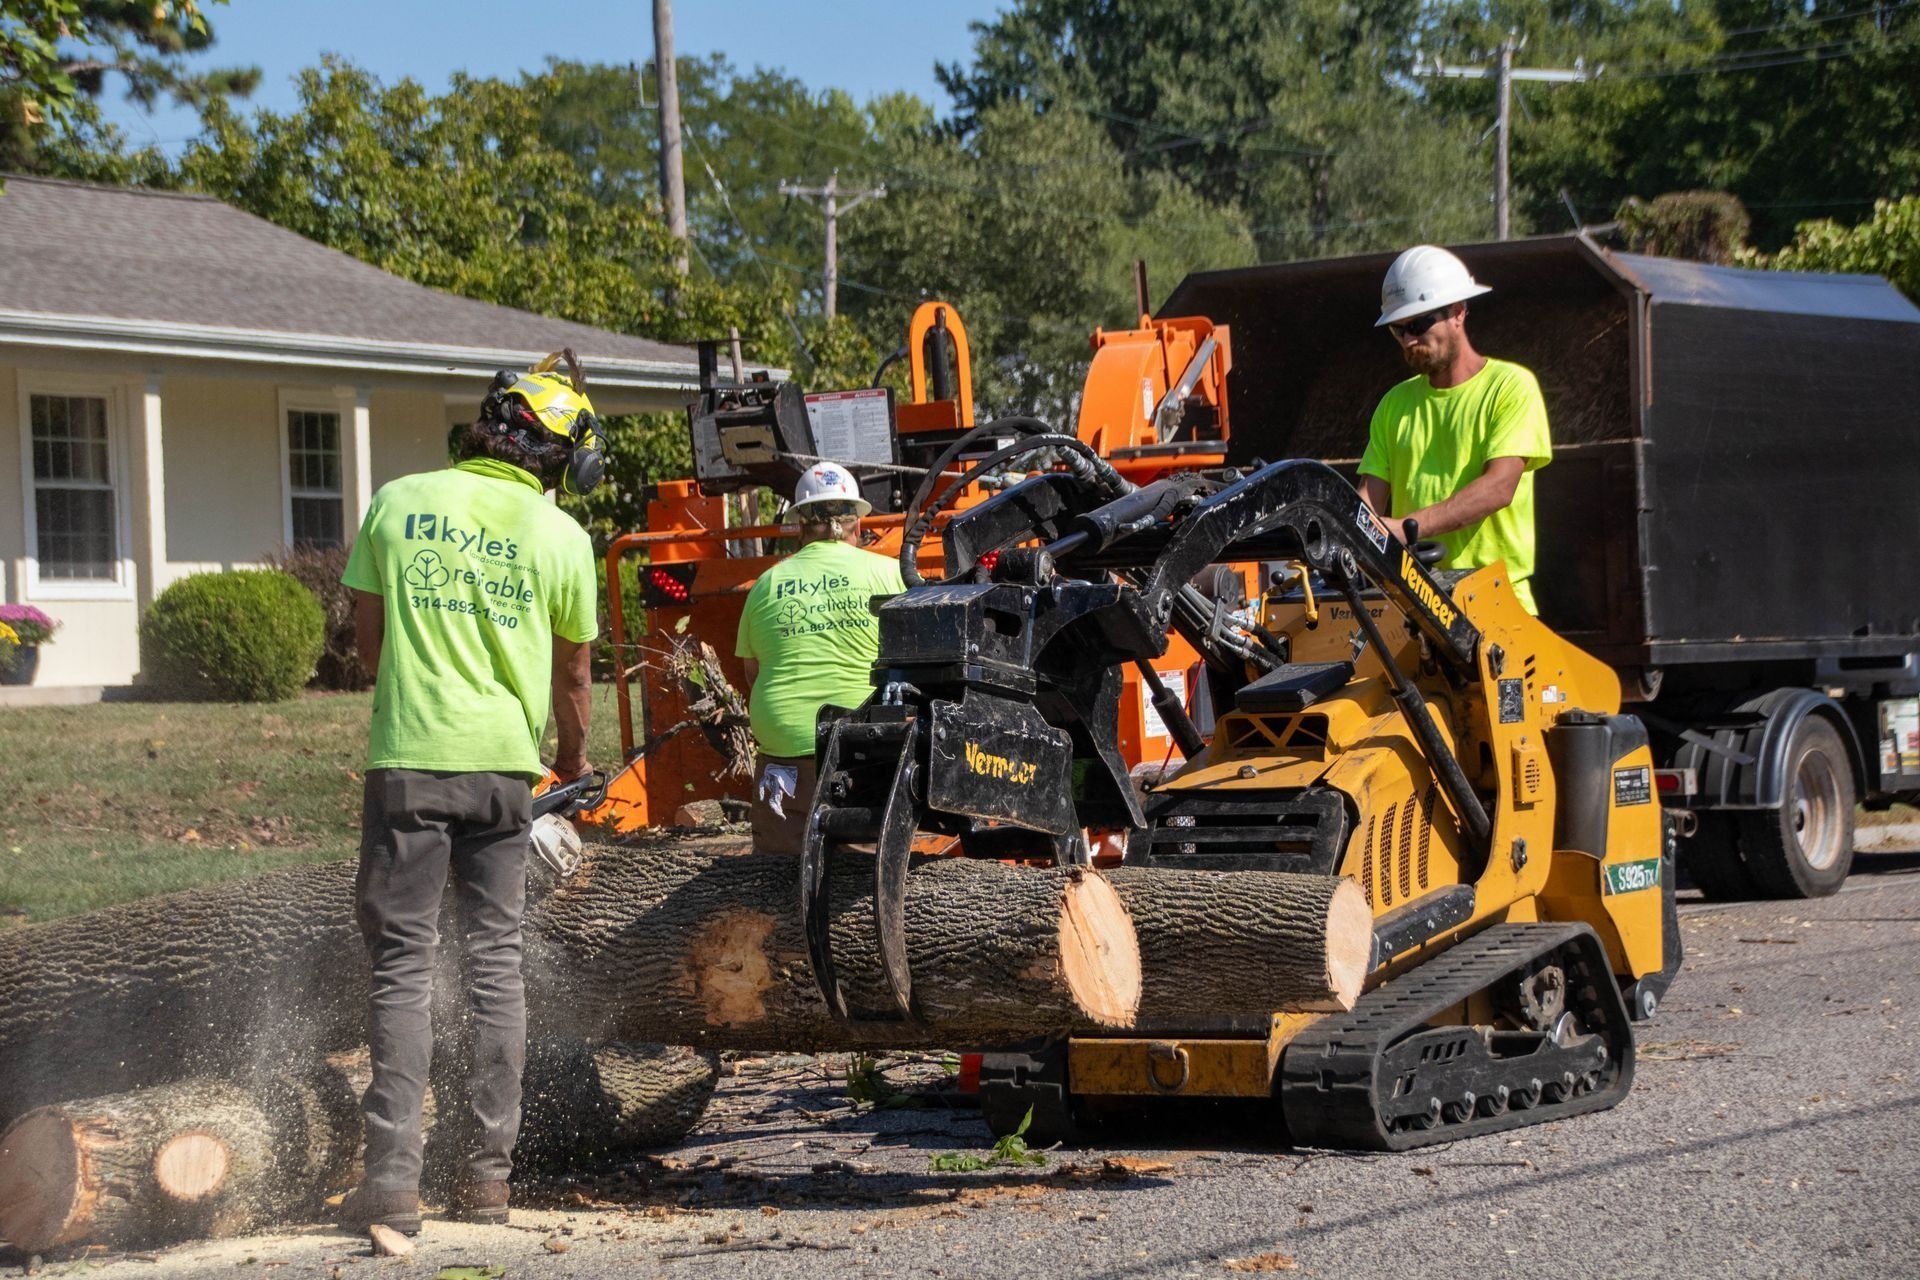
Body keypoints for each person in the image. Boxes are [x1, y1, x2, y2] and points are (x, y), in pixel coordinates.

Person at [338, 351, 603, 1236]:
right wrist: (569, 764)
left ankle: (391, 1187)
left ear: (489, 424)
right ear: (559, 458)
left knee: (405, 969)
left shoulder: (399, 500)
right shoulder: (563, 537)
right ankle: (487, 1180)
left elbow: (367, 651)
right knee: (496, 968)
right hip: (505, 776)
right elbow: (574, 676)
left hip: (409, 764)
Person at [1357, 245, 1553, 614]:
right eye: (1398, 331)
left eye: (1418, 325)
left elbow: (1499, 487)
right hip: (1417, 605)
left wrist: (1405, 527)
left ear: (1459, 312)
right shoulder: (1394, 405)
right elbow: (1368, 502)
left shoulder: (1510, 387)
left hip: (1499, 606)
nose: (1409, 340)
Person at [735, 463, 905, 853]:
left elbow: (753, 674)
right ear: (857, 525)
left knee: (778, 880)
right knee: (862, 882)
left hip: (784, 761)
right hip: (864, 755)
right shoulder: (891, 574)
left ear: (799, 526)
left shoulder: (767, 585)